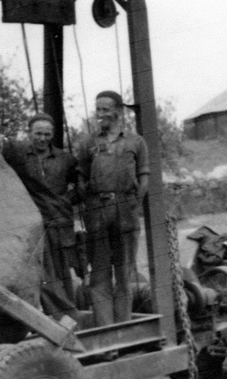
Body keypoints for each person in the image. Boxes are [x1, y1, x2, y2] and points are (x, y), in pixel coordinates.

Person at [0, 113, 80, 321]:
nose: (42, 139)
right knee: (45, 276)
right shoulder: (19, 154)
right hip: (37, 226)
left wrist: (65, 201)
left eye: (47, 134)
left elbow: (82, 184)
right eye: (38, 134)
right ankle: (64, 320)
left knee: (63, 275)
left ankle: (69, 320)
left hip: (61, 224)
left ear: (53, 135)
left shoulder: (65, 159)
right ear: (29, 133)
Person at [76, 90, 149, 326]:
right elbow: (80, 177)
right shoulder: (88, 142)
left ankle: (125, 328)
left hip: (125, 211)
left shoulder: (135, 141)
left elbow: (144, 177)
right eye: (97, 109)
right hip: (97, 212)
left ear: (118, 111)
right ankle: (106, 331)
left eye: (105, 109)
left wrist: (133, 204)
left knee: (125, 273)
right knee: (99, 275)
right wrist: (89, 203)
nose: (100, 114)